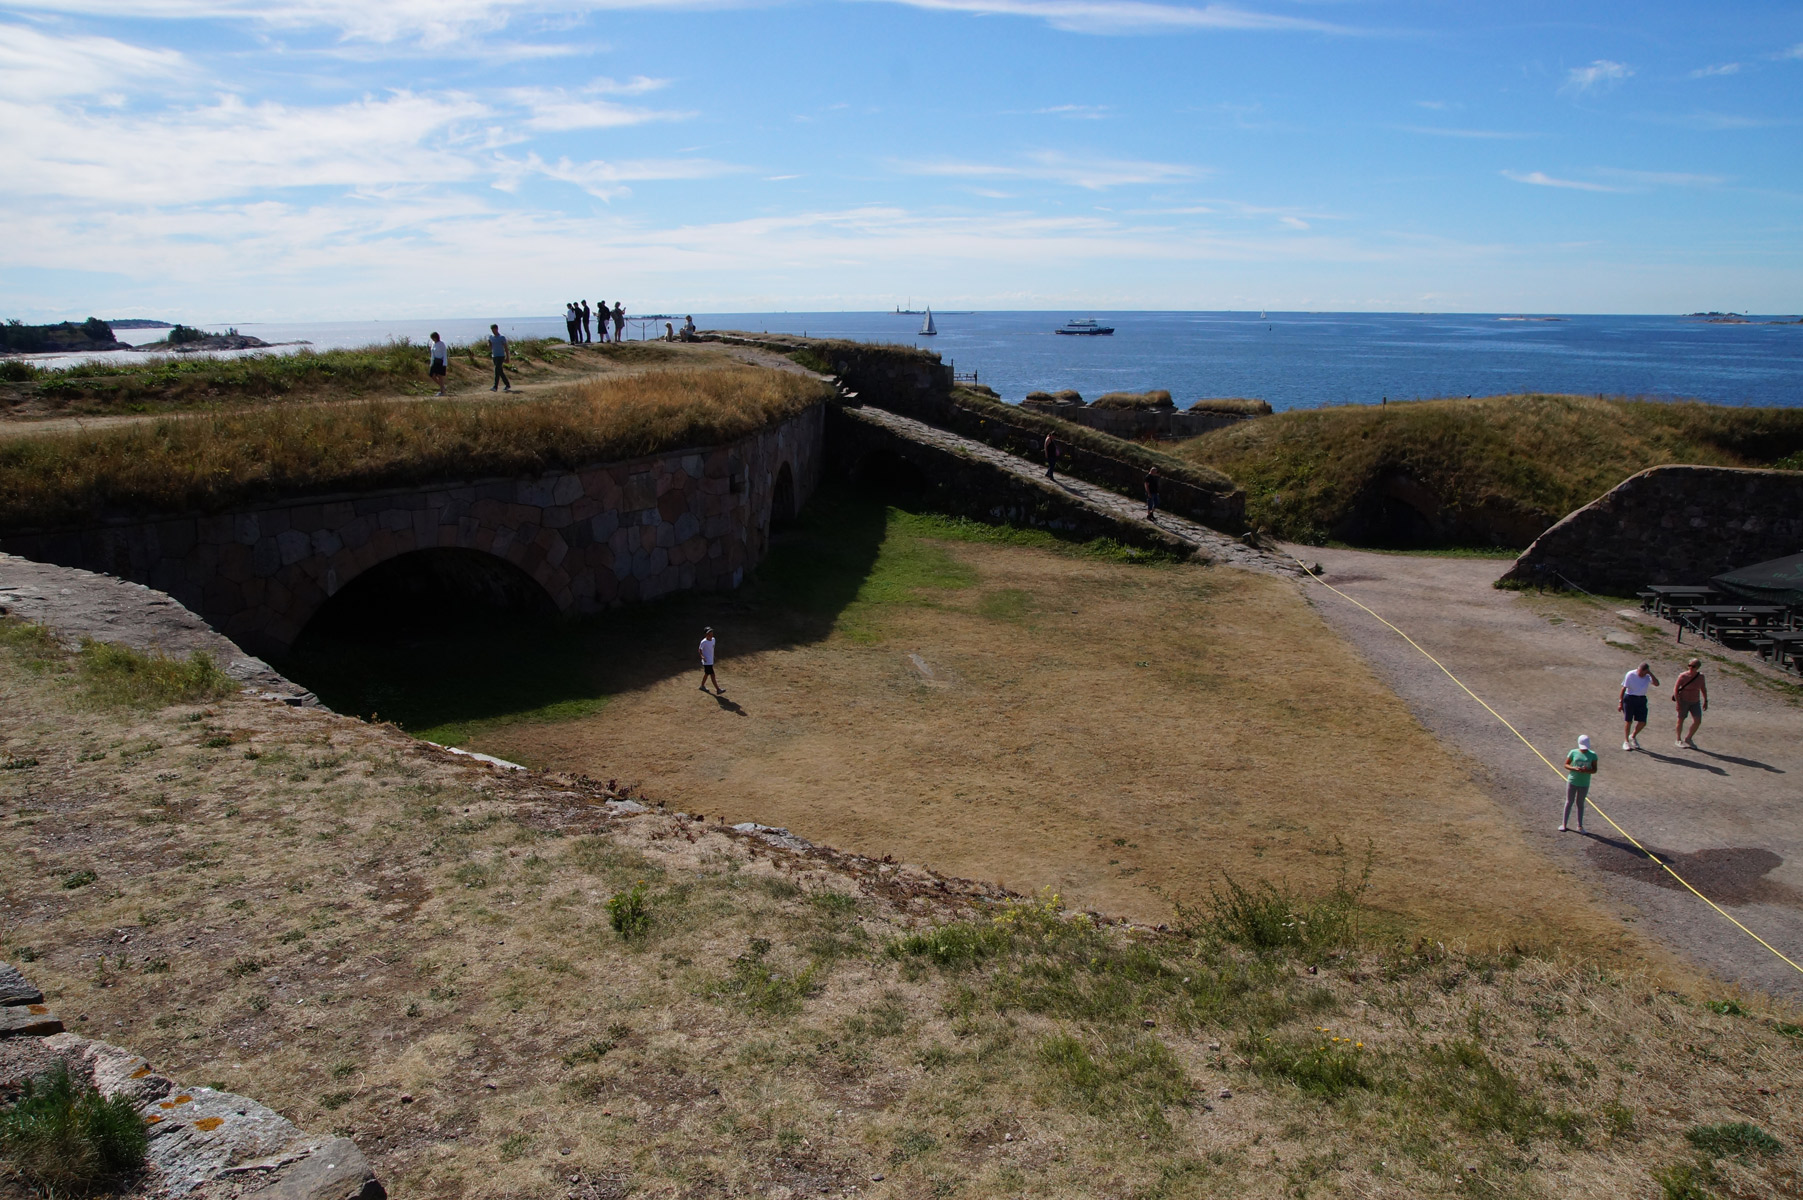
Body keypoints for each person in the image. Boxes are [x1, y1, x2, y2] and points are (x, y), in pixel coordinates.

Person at [1561, 734, 1597, 833]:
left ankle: (1580, 826)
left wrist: (1586, 770)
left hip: (1584, 783)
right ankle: (1564, 824)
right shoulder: (1573, 752)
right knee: (1569, 802)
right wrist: (1574, 768)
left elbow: (1594, 770)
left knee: (1580, 803)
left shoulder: (1593, 755)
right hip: (1572, 781)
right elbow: (1566, 764)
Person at [1619, 661, 1658, 750]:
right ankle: (1626, 742)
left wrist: (1650, 673)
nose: (1639, 673)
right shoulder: (1630, 674)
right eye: (1639, 671)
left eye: (1641, 672)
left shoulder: (1647, 677)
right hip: (1629, 698)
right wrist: (1620, 702)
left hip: (1641, 699)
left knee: (1643, 722)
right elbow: (1624, 688)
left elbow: (1657, 684)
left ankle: (1633, 736)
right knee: (1628, 721)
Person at [1672, 657, 1708, 748]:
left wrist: (1705, 700)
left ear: (1698, 667)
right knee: (1681, 720)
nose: (1691, 668)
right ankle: (1678, 739)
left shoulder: (1701, 677)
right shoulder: (1683, 676)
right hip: (1683, 701)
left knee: (1697, 720)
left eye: (1693, 666)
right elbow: (1676, 690)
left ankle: (1688, 738)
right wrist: (1678, 703)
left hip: (1695, 701)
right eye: (1689, 666)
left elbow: (1703, 689)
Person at [698, 626, 722, 694]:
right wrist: (702, 656)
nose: (711, 634)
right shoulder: (703, 642)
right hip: (706, 662)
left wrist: (713, 656)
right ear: (706, 634)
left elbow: (711, 649)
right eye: (709, 633)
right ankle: (718, 689)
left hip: (710, 660)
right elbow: (700, 650)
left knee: (707, 673)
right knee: (712, 675)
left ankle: (702, 686)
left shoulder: (714, 640)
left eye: (711, 633)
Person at [488, 324, 512, 392]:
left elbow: (506, 348)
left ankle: (495, 387)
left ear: (497, 329)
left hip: (501, 356)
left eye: (494, 329)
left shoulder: (502, 337)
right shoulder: (491, 337)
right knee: (500, 371)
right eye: (492, 330)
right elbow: (490, 347)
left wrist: (507, 357)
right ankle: (507, 385)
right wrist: (489, 344)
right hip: (494, 356)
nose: (493, 331)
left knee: (496, 370)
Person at [427, 331, 449, 396]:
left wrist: (444, 363)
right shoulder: (433, 344)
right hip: (435, 361)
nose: (432, 339)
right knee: (432, 375)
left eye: (433, 338)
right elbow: (432, 354)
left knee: (440, 376)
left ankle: (442, 391)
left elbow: (444, 353)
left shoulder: (441, 344)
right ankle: (443, 387)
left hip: (441, 361)